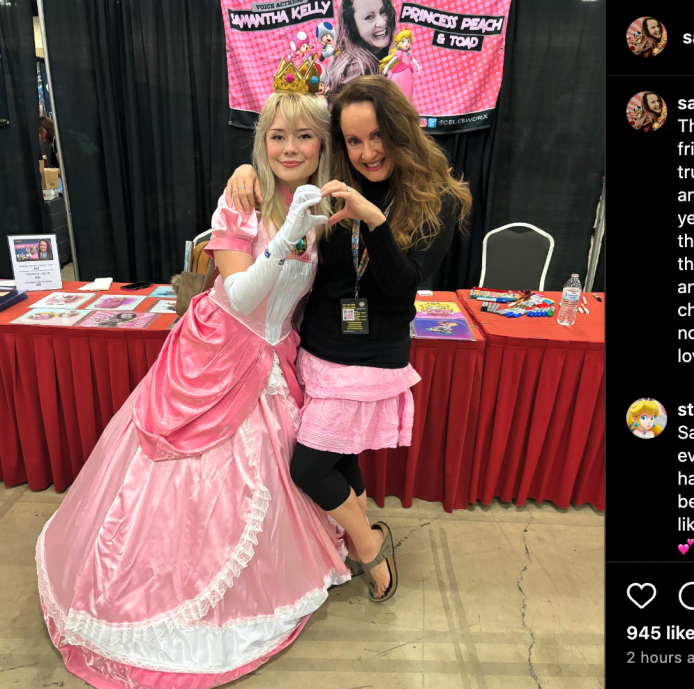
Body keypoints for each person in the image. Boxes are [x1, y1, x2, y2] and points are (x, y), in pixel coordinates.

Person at [36, 60, 355, 689]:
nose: (289, 149)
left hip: (274, 360)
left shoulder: (325, 204)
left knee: (275, 479)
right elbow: (239, 295)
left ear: (323, 145)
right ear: (262, 142)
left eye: (304, 136)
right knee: (181, 486)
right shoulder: (242, 200)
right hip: (217, 356)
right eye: (276, 136)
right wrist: (290, 228)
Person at [225, 75, 472, 602]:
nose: (367, 152)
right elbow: (285, 174)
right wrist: (247, 170)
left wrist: (375, 221)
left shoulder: (437, 198)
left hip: (370, 358)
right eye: (354, 140)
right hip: (313, 351)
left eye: (377, 136)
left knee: (309, 467)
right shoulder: (337, 179)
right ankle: (362, 535)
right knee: (339, 457)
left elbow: (401, 286)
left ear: (402, 129)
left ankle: (369, 546)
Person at [322, 0, 396, 97]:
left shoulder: (375, 57)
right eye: (369, 17)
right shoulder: (360, 69)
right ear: (351, 25)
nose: (382, 23)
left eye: (383, 11)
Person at [380, 28, 422, 102]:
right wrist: (387, 66)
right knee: (399, 85)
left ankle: (406, 99)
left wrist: (418, 66)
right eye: (403, 41)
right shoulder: (399, 53)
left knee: (408, 86)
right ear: (399, 43)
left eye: (408, 41)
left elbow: (412, 59)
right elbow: (394, 59)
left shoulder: (409, 53)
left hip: (408, 71)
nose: (406, 43)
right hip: (401, 70)